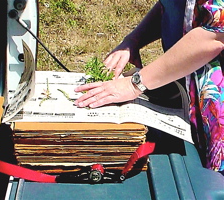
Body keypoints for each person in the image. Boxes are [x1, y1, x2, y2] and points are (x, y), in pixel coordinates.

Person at [74, 0, 224, 174]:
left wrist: (135, 84)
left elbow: (213, 36)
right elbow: (171, 6)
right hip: (185, 92)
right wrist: (134, 39)